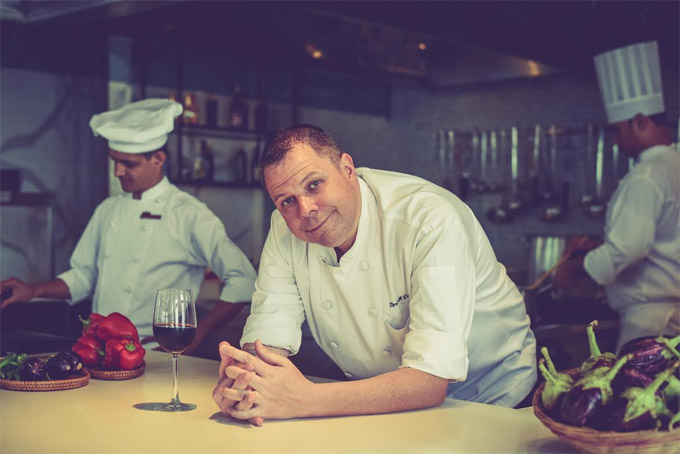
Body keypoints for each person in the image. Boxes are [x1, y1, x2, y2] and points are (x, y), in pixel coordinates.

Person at [212, 124, 536, 424]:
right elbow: (268, 337)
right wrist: (246, 383)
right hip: (385, 404)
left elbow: (430, 380)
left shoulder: (430, 220)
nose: (305, 209)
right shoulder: (284, 232)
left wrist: (305, 399)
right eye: (286, 201)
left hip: (492, 396)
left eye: (314, 184)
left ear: (347, 168)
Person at [1, 99, 257, 352]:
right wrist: (32, 290)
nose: (118, 172)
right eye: (115, 161)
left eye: (129, 164)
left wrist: (199, 333)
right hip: (97, 350)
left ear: (158, 158)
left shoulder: (189, 213)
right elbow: (82, 276)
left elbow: (243, 280)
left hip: (155, 353)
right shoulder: (108, 209)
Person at [553, 41, 679, 351]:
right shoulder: (673, 165)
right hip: (670, 312)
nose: (616, 139)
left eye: (617, 129)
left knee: (637, 397)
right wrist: (599, 247)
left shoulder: (647, 175)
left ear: (640, 121)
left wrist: (576, 267)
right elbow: (664, 238)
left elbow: (631, 248)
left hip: (650, 320)